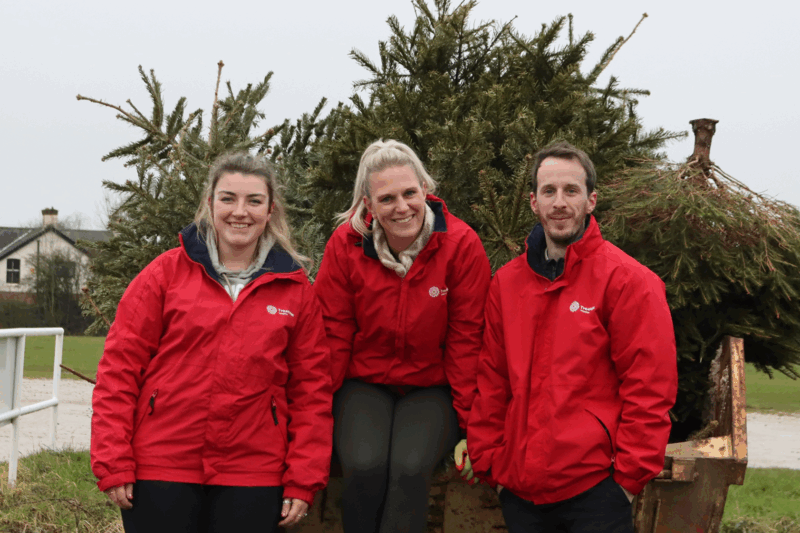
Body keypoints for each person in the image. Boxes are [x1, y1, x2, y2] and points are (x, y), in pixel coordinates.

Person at [91, 152, 333, 533]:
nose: (241, 211)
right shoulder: (164, 274)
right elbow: (118, 370)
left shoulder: (296, 290)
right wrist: (113, 459)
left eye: (254, 201)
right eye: (228, 198)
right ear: (210, 204)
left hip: (253, 471)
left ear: (270, 210)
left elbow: (312, 392)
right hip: (162, 463)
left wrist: (303, 476)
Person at [465, 141, 678, 533]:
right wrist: (490, 462)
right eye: (549, 191)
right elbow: (491, 381)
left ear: (591, 200)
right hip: (519, 491)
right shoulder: (506, 284)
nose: (559, 202)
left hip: (597, 492)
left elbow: (649, 389)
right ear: (534, 202)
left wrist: (626, 483)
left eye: (571, 191)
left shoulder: (630, 282)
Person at [313, 139, 491, 533]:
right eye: (387, 198)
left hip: (432, 385)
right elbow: (333, 333)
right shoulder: (345, 246)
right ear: (368, 205)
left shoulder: (460, 246)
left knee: (410, 468)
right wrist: (315, 414)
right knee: (363, 464)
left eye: (410, 193)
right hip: (365, 380)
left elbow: (466, 340)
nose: (402, 207)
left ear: (425, 190)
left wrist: (474, 428)